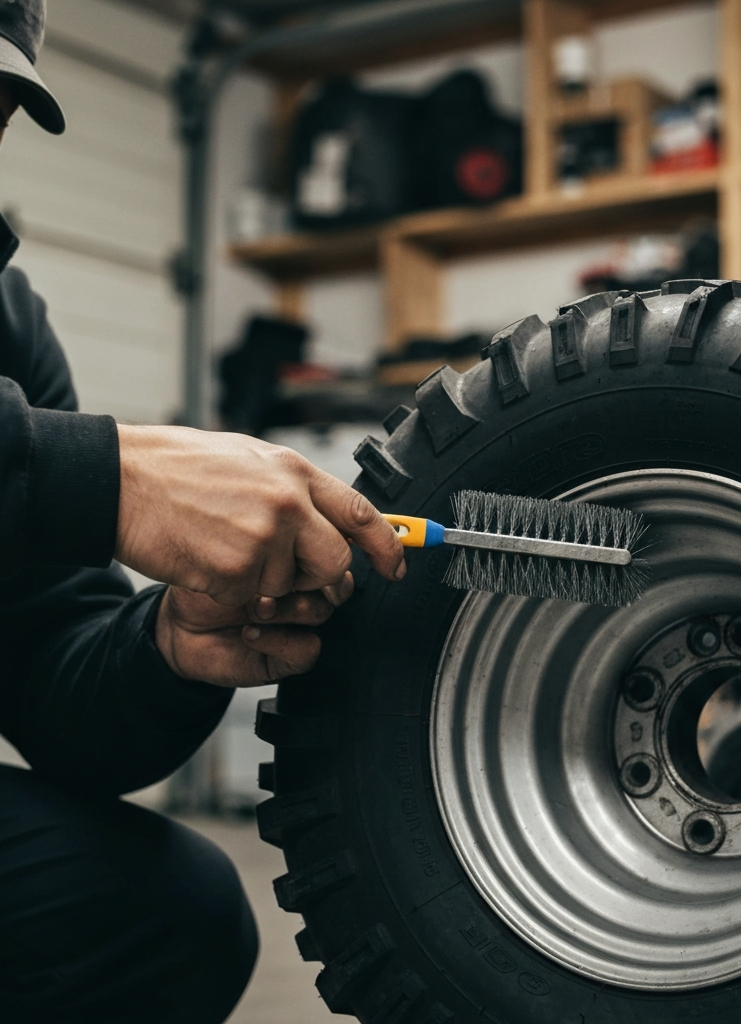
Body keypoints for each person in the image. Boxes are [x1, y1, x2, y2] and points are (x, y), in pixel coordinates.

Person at [0, 3, 405, 1021]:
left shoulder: (6, 319)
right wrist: (111, 477)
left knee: (156, 911)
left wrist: (171, 643)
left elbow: (52, 676)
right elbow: (74, 478)